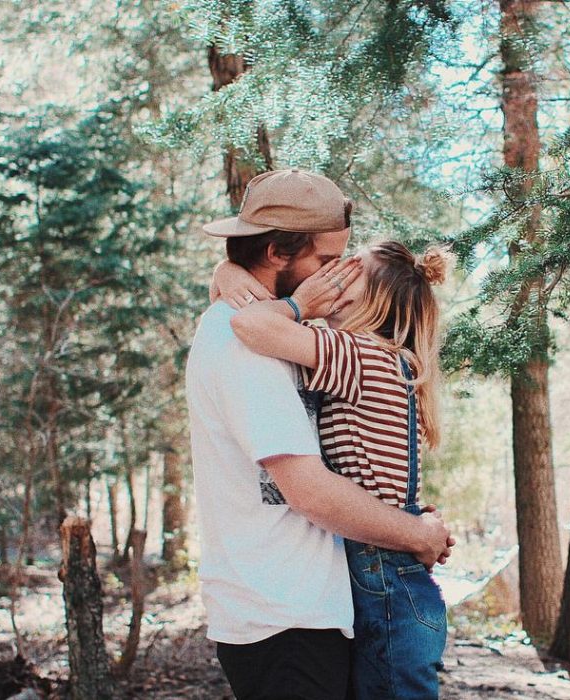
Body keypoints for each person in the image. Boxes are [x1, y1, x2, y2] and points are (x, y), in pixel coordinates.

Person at [186, 168, 455, 700]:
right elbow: (309, 492)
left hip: (315, 603)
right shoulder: (248, 345)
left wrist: (234, 276)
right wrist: (418, 534)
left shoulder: (299, 336)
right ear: (276, 253)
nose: (333, 283)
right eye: (329, 265)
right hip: (281, 614)